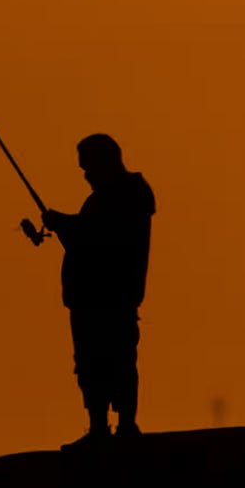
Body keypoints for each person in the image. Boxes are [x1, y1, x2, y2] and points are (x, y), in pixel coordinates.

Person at [40, 134, 156, 448]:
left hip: (109, 297)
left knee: (111, 360)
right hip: (94, 297)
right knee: (93, 362)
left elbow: (97, 239)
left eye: (88, 167)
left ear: (106, 161)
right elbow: (89, 234)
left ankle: (119, 428)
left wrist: (61, 223)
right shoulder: (115, 197)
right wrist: (63, 224)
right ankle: (103, 428)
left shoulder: (127, 196)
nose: (86, 174)